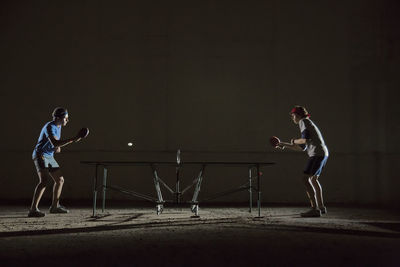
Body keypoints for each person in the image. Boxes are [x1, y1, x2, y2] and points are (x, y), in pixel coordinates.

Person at [276, 106, 329, 217]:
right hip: (323, 153)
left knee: (305, 179)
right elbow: (301, 148)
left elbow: (305, 140)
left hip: (316, 154)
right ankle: (321, 207)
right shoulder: (308, 122)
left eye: (293, 115)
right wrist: (283, 145)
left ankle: (314, 209)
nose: (292, 118)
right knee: (314, 179)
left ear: (298, 115)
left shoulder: (303, 121)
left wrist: (294, 140)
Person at [28, 107, 82, 217]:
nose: (67, 120)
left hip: (49, 156)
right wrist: (72, 140)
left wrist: (57, 148)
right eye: (66, 118)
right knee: (43, 181)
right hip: (40, 155)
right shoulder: (50, 126)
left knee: (60, 180)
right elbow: (55, 142)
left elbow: (55, 145)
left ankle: (54, 207)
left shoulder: (59, 127)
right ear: (58, 118)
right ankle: (33, 210)